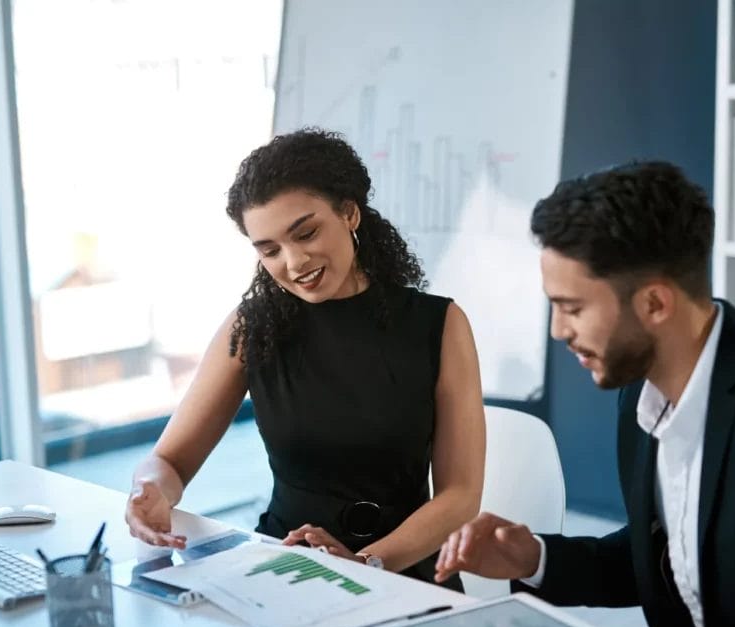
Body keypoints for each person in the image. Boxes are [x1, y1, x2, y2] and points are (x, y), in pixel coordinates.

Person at [434, 161, 735, 627]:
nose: (558, 331)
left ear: (654, 303)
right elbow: (670, 556)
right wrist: (533, 558)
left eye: (572, 308)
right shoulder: (639, 395)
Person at [125, 128, 485, 588]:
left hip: (401, 574)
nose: (293, 263)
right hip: (283, 570)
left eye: (306, 233)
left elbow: (460, 495)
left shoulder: (441, 324)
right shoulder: (251, 327)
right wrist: (149, 491)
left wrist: (365, 564)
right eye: (270, 250)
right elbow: (169, 461)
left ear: (349, 213)